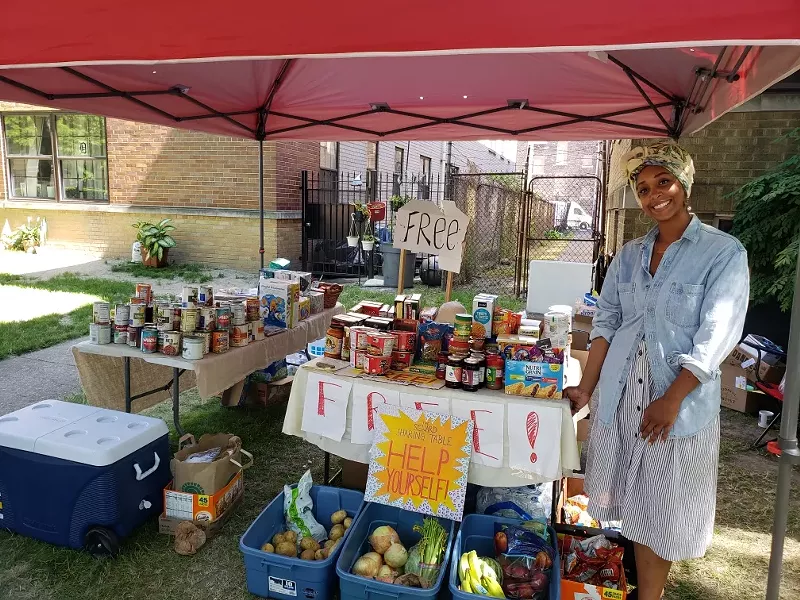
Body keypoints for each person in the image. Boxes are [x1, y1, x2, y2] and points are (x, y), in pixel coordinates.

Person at [565, 141, 750, 600]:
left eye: (663, 182)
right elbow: (606, 322)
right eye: (643, 188)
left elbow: (716, 334)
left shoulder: (722, 253)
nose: (654, 196)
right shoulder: (628, 255)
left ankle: (650, 595)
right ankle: (632, 586)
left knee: (661, 513)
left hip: (674, 408)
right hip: (621, 398)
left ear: (684, 185)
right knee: (630, 505)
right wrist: (586, 389)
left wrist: (672, 399)